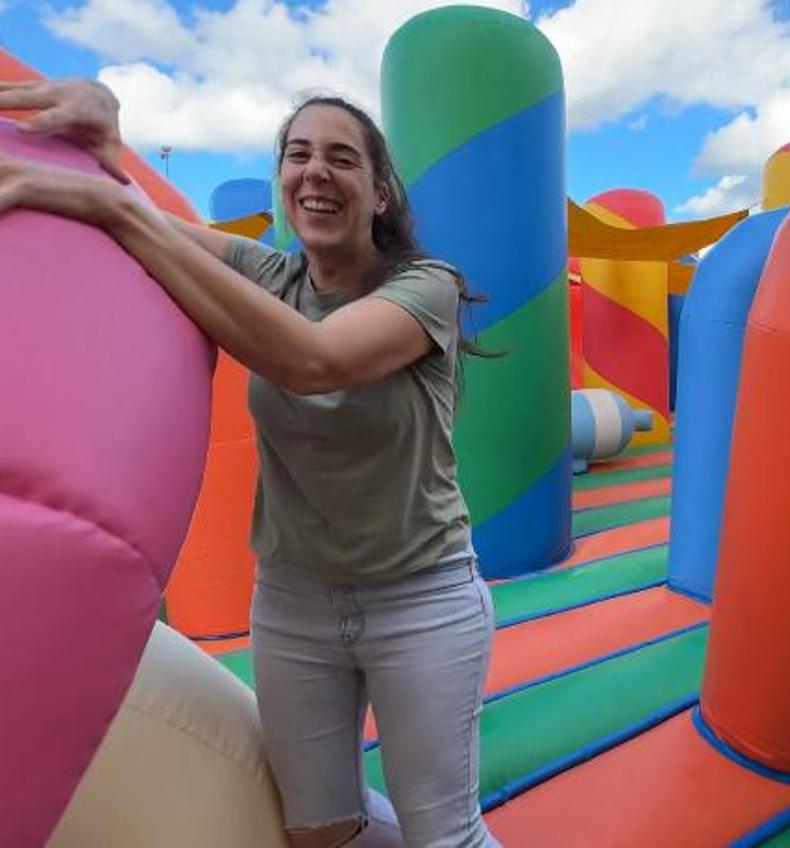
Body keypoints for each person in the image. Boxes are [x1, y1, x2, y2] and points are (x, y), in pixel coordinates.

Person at [0, 78, 498, 848]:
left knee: (444, 834)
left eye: (342, 159)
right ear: (282, 183)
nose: (316, 173)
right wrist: (104, 150)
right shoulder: (271, 275)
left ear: (379, 195)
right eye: (298, 156)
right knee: (320, 832)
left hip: (420, 596)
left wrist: (119, 205)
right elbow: (152, 228)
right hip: (296, 601)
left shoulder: (423, 290)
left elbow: (314, 360)